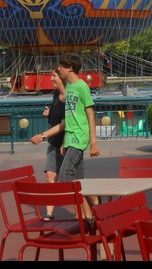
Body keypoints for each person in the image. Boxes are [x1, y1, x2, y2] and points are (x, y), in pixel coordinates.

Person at [52, 53, 99, 220]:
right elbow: (70, 117)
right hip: (71, 138)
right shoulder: (70, 88)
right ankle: (88, 218)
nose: (59, 69)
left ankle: (93, 198)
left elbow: (90, 114)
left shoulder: (81, 87)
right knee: (79, 179)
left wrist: (93, 142)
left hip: (80, 137)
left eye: (61, 66)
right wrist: (65, 140)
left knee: (65, 175)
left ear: (70, 68)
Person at [28, 67, 66, 220]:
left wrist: (42, 136)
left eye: (54, 76)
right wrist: (49, 115)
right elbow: (56, 119)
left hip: (68, 143)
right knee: (50, 176)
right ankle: (50, 213)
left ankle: (92, 204)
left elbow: (66, 124)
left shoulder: (70, 96)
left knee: (74, 180)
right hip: (54, 142)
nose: (51, 79)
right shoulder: (56, 95)